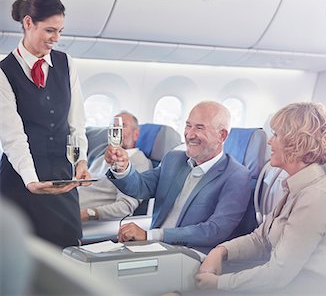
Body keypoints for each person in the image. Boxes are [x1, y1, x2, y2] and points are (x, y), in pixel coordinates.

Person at [194, 102, 326, 295]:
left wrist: (218, 283)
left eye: (276, 135)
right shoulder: (295, 187)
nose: (269, 142)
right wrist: (221, 251)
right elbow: (261, 240)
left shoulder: (316, 198)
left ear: (297, 142)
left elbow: (278, 275)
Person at [0, 0, 90, 248]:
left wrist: (81, 160)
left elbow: (76, 123)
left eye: (59, 31)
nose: (56, 38)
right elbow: (13, 137)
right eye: (49, 30)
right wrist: (31, 180)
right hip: (20, 182)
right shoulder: (4, 72)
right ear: (28, 23)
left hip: (62, 180)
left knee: (68, 251)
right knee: (24, 259)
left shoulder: (65, 63)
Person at [104, 101, 252, 248]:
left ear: (222, 135)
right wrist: (122, 168)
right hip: (152, 247)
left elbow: (214, 231)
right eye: (188, 126)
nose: (189, 134)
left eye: (200, 128)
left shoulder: (236, 176)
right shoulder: (174, 159)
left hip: (189, 255)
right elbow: (140, 187)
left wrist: (150, 235)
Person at [79, 111, 151, 221]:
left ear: (136, 134)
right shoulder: (102, 158)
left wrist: (88, 213)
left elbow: (125, 206)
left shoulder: (139, 161)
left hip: (82, 216)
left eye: (123, 125)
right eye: (114, 126)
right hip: (67, 203)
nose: (117, 130)